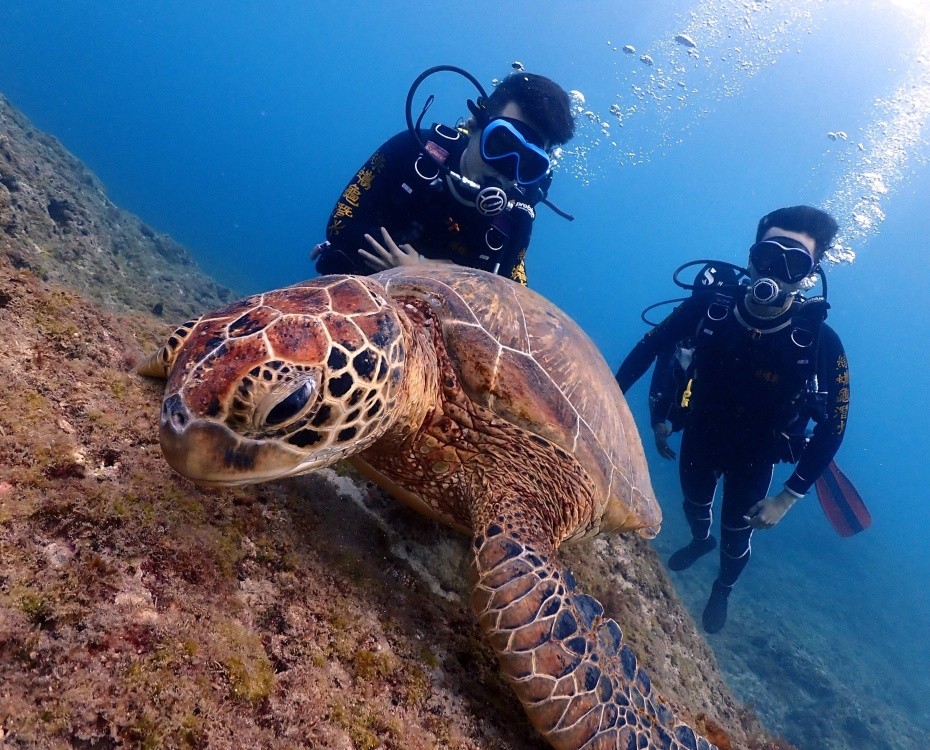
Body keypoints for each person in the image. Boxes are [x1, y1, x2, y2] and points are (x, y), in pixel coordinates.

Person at [615, 206, 850, 633]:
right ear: (750, 257)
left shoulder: (820, 341)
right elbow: (649, 348)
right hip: (701, 435)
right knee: (694, 505)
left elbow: (834, 426)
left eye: (794, 263)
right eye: (768, 255)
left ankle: (722, 588)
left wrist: (788, 497)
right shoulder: (711, 306)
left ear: (809, 275)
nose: (775, 272)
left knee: (737, 534)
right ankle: (699, 540)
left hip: (757, 455)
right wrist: (611, 402)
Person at [312, 68, 575, 285]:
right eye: (501, 144)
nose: (506, 168)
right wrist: (419, 274)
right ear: (474, 123)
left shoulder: (516, 216)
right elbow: (341, 223)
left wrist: (423, 272)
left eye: (528, 164)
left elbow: (514, 297)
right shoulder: (413, 150)